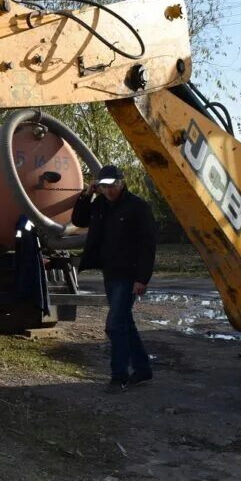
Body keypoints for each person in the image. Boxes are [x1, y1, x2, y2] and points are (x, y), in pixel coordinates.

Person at [70, 164, 157, 394]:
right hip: (109, 272)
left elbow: (148, 246)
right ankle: (143, 368)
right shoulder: (99, 205)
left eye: (111, 187)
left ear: (121, 183)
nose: (108, 191)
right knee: (125, 323)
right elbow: (79, 220)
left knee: (115, 325)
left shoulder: (138, 207)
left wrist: (142, 279)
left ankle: (119, 376)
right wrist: (86, 195)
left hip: (129, 275)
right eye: (103, 187)